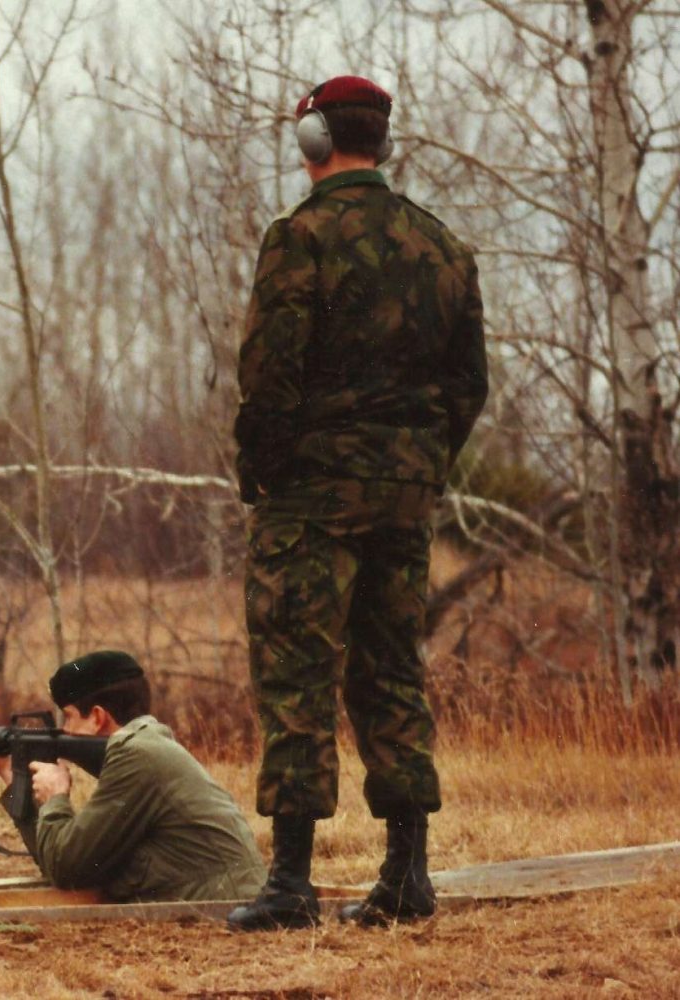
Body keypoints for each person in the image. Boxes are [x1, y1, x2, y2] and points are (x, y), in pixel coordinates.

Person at [228, 76, 488, 931]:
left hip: (312, 497)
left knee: (297, 674)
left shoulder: (298, 238)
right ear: (380, 140)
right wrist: (420, 465)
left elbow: (270, 376)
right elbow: (467, 385)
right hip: (405, 499)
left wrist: (265, 470)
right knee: (391, 673)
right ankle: (407, 876)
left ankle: (292, 885)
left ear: (314, 143)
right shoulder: (443, 247)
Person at [0, 649, 267, 903]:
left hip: (225, 909)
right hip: (225, 902)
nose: (64, 731)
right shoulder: (149, 745)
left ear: (97, 717)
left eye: (69, 718)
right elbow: (65, 861)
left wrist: (55, 799)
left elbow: (68, 869)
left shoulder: (136, 755)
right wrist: (9, 774)